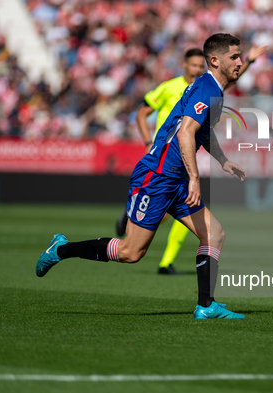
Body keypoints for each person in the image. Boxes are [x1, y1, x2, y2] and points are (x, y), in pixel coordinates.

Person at [37, 33, 250, 319]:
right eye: (234, 57)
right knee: (130, 252)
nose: (240, 61)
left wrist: (222, 161)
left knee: (214, 234)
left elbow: (200, 131)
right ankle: (61, 249)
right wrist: (195, 179)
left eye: (241, 55)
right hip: (158, 176)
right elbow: (186, 133)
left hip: (174, 178)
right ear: (215, 60)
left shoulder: (212, 89)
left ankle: (206, 305)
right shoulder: (206, 89)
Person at [116, 45, 266, 275]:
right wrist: (148, 142)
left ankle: (191, 289)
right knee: (133, 250)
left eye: (199, 66)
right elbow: (146, 114)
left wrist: (249, 61)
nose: (196, 69)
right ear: (185, 65)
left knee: (209, 231)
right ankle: (132, 216)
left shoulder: (208, 87)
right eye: (193, 65)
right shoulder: (175, 87)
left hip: (182, 162)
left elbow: (227, 80)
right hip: (163, 160)